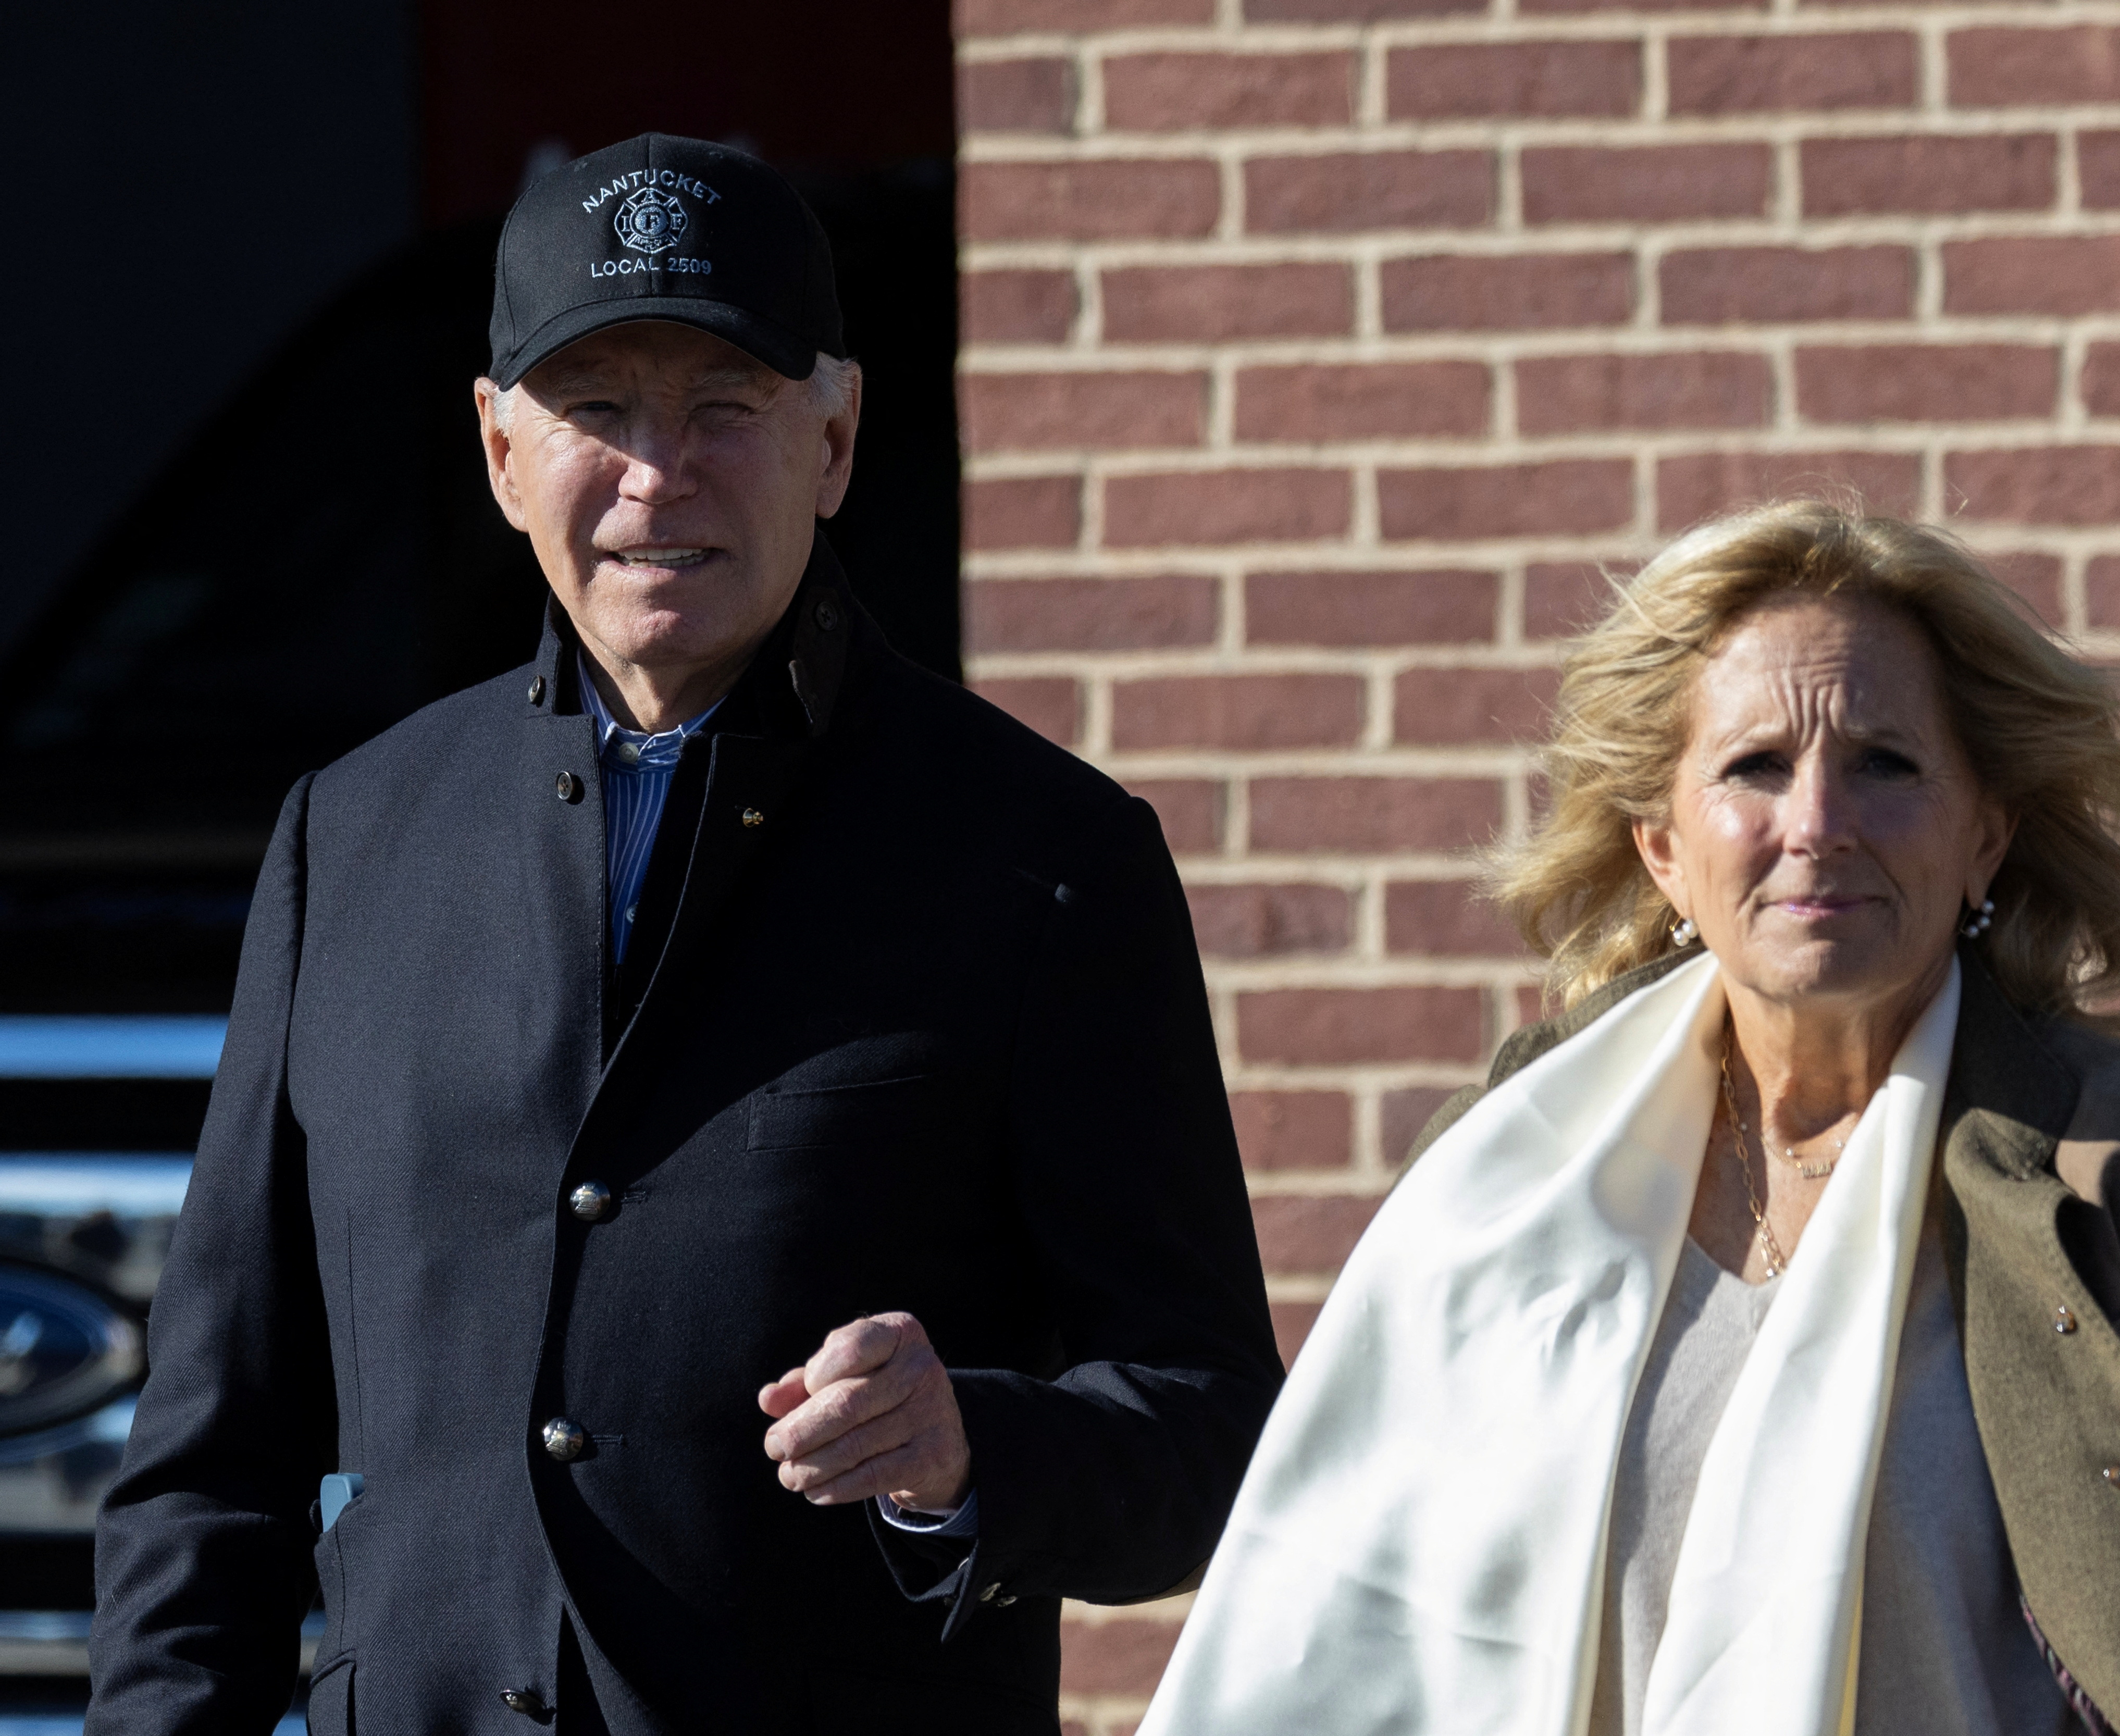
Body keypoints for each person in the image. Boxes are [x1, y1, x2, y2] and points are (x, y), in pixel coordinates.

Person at [85, 134, 1283, 1736]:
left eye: (727, 407)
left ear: (838, 438)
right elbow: (209, 1467)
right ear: (502, 454)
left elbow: (1211, 1429)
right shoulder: (349, 840)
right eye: (598, 412)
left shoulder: (1046, 855)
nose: (660, 475)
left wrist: (970, 1448)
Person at [1140, 501, 2120, 1736]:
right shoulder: (1503, 1175)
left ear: (1984, 839)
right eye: (1754, 767)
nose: (1817, 826)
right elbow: (1341, 1612)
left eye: (1886, 765)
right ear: (1662, 851)